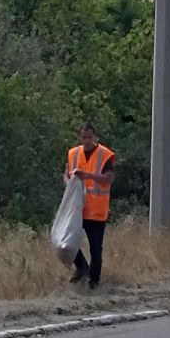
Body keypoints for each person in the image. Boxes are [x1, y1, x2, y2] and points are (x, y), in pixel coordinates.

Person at [63, 122, 115, 289]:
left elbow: (108, 178)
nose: (86, 141)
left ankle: (94, 282)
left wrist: (88, 176)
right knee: (67, 242)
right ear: (80, 136)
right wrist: (69, 183)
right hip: (77, 209)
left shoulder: (104, 154)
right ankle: (81, 267)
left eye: (89, 137)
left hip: (97, 211)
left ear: (95, 137)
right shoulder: (73, 153)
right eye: (84, 137)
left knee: (95, 249)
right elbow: (66, 174)